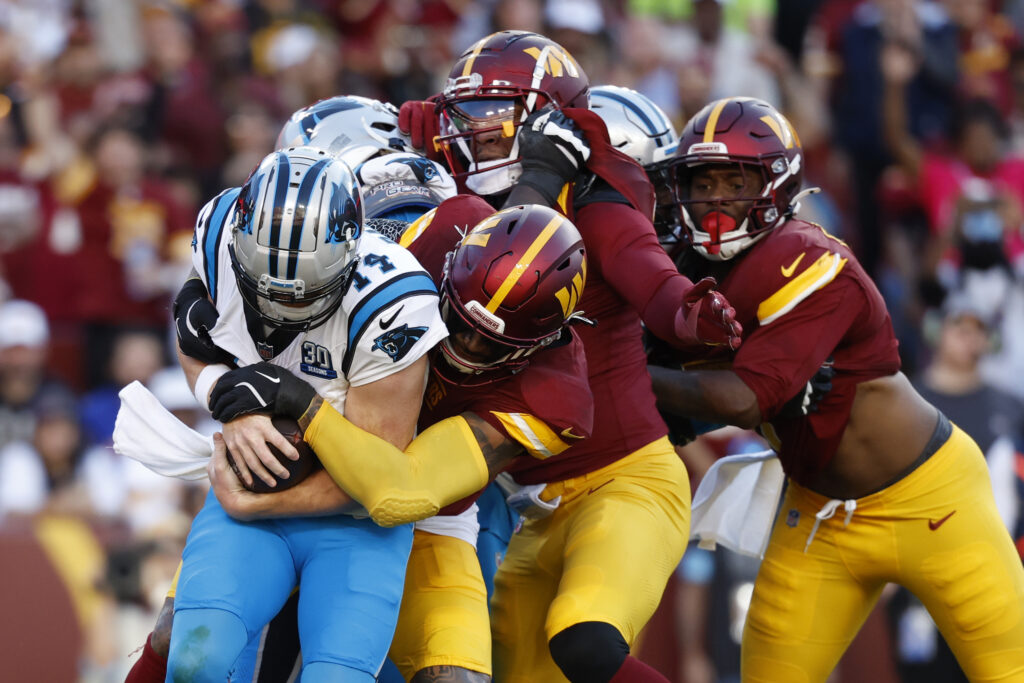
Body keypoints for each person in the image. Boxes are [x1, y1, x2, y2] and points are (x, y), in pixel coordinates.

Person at [398, 30, 740, 682]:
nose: (474, 134)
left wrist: (687, 313)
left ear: (548, 121)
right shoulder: (459, 201)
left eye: (492, 116)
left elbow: (651, 274)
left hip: (626, 481)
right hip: (532, 502)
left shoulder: (590, 197)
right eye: (465, 115)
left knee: (584, 640)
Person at [646, 96, 1024, 681]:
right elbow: (682, 403)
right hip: (818, 509)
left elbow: (745, 397)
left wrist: (627, 373)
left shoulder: (809, 259)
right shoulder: (689, 268)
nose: (716, 197)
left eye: (735, 179)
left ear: (774, 186)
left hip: (932, 500)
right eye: (703, 179)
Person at [124, 96, 451, 683]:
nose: (279, 308)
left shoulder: (393, 303)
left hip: (355, 519)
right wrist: (231, 401)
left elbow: (376, 476)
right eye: (261, 289)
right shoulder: (220, 232)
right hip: (251, 493)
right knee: (195, 660)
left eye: (302, 296)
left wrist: (263, 498)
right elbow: (196, 339)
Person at [207, 198, 595, 683]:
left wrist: (301, 407)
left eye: (492, 344)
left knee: (458, 679)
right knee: (184, 643)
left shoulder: (555, 398)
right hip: (307, 467)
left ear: (543, 342)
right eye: (456, 320)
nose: (464, 347)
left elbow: (402, 494)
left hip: (427, 521)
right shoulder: (429, 239)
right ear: (448, 268)